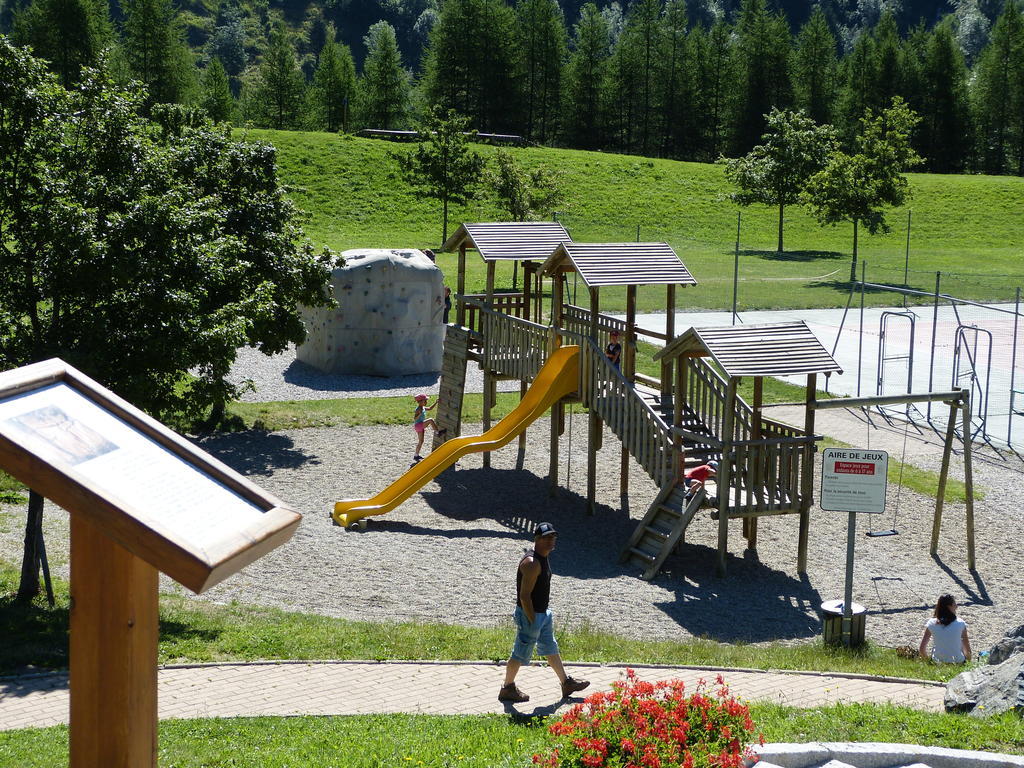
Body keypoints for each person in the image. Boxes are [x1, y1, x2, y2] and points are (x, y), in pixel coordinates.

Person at [498, 523, 590, 704]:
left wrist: (541, 616)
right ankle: (507, 688)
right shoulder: (532, 563)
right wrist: (532, 619)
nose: (551, 541)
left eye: (553, 537)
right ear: (537, 539)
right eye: (546, 538)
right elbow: (524, 596)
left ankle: (566, 683)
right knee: (520, 652)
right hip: (531, 614)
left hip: (542, 613)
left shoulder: (543, 557)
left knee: (550, 646)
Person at [919, 594, 972, 663]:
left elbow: (922, 649)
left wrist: (928, 662)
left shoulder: (931, 623)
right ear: (949, 607)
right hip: (958, 662)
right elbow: (967, 650)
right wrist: (967, 662)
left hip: (937, 662)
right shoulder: (960, 623)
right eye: (954, 604)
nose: (956, 606)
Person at [412, 394, 446, 462]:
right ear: (420, 402)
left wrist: (436, 402)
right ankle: (437, 432)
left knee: (421, 441)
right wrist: (419, 414)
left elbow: (430, 408)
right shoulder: (418, 409)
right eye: (425, 401)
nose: (426, 402)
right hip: (418, 425)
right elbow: (415, 418)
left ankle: (416, 455)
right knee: (430, 420)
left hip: (419, 426)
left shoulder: (423, 407)